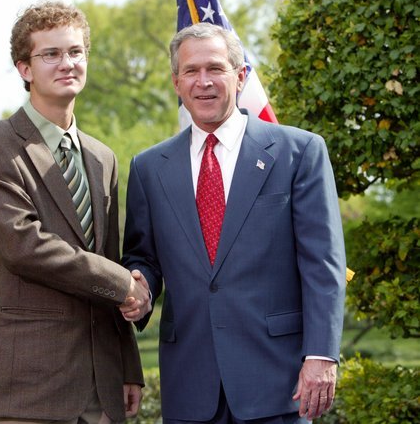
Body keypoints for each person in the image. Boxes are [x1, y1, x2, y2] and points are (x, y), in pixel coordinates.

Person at [121, 22, 346, 424]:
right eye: (191, 71)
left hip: (278, 381)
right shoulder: (148, 167)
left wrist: (321, 354)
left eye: (215, 68)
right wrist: (140, 286)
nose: (203, 82)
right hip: (189, 384)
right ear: (176, 82)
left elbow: (322, 265)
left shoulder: (299, 152)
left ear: (240, 76)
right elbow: (144, 257)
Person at [0, 1, 151, 424]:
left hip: (101, 390)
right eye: (50, 54)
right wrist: (124, 282)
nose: (66, 63)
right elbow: (23, 246)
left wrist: (127, 366)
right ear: (24, 69)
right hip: (28, 389)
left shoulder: (103, 158)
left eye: (75, 52)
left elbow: (107, 260)